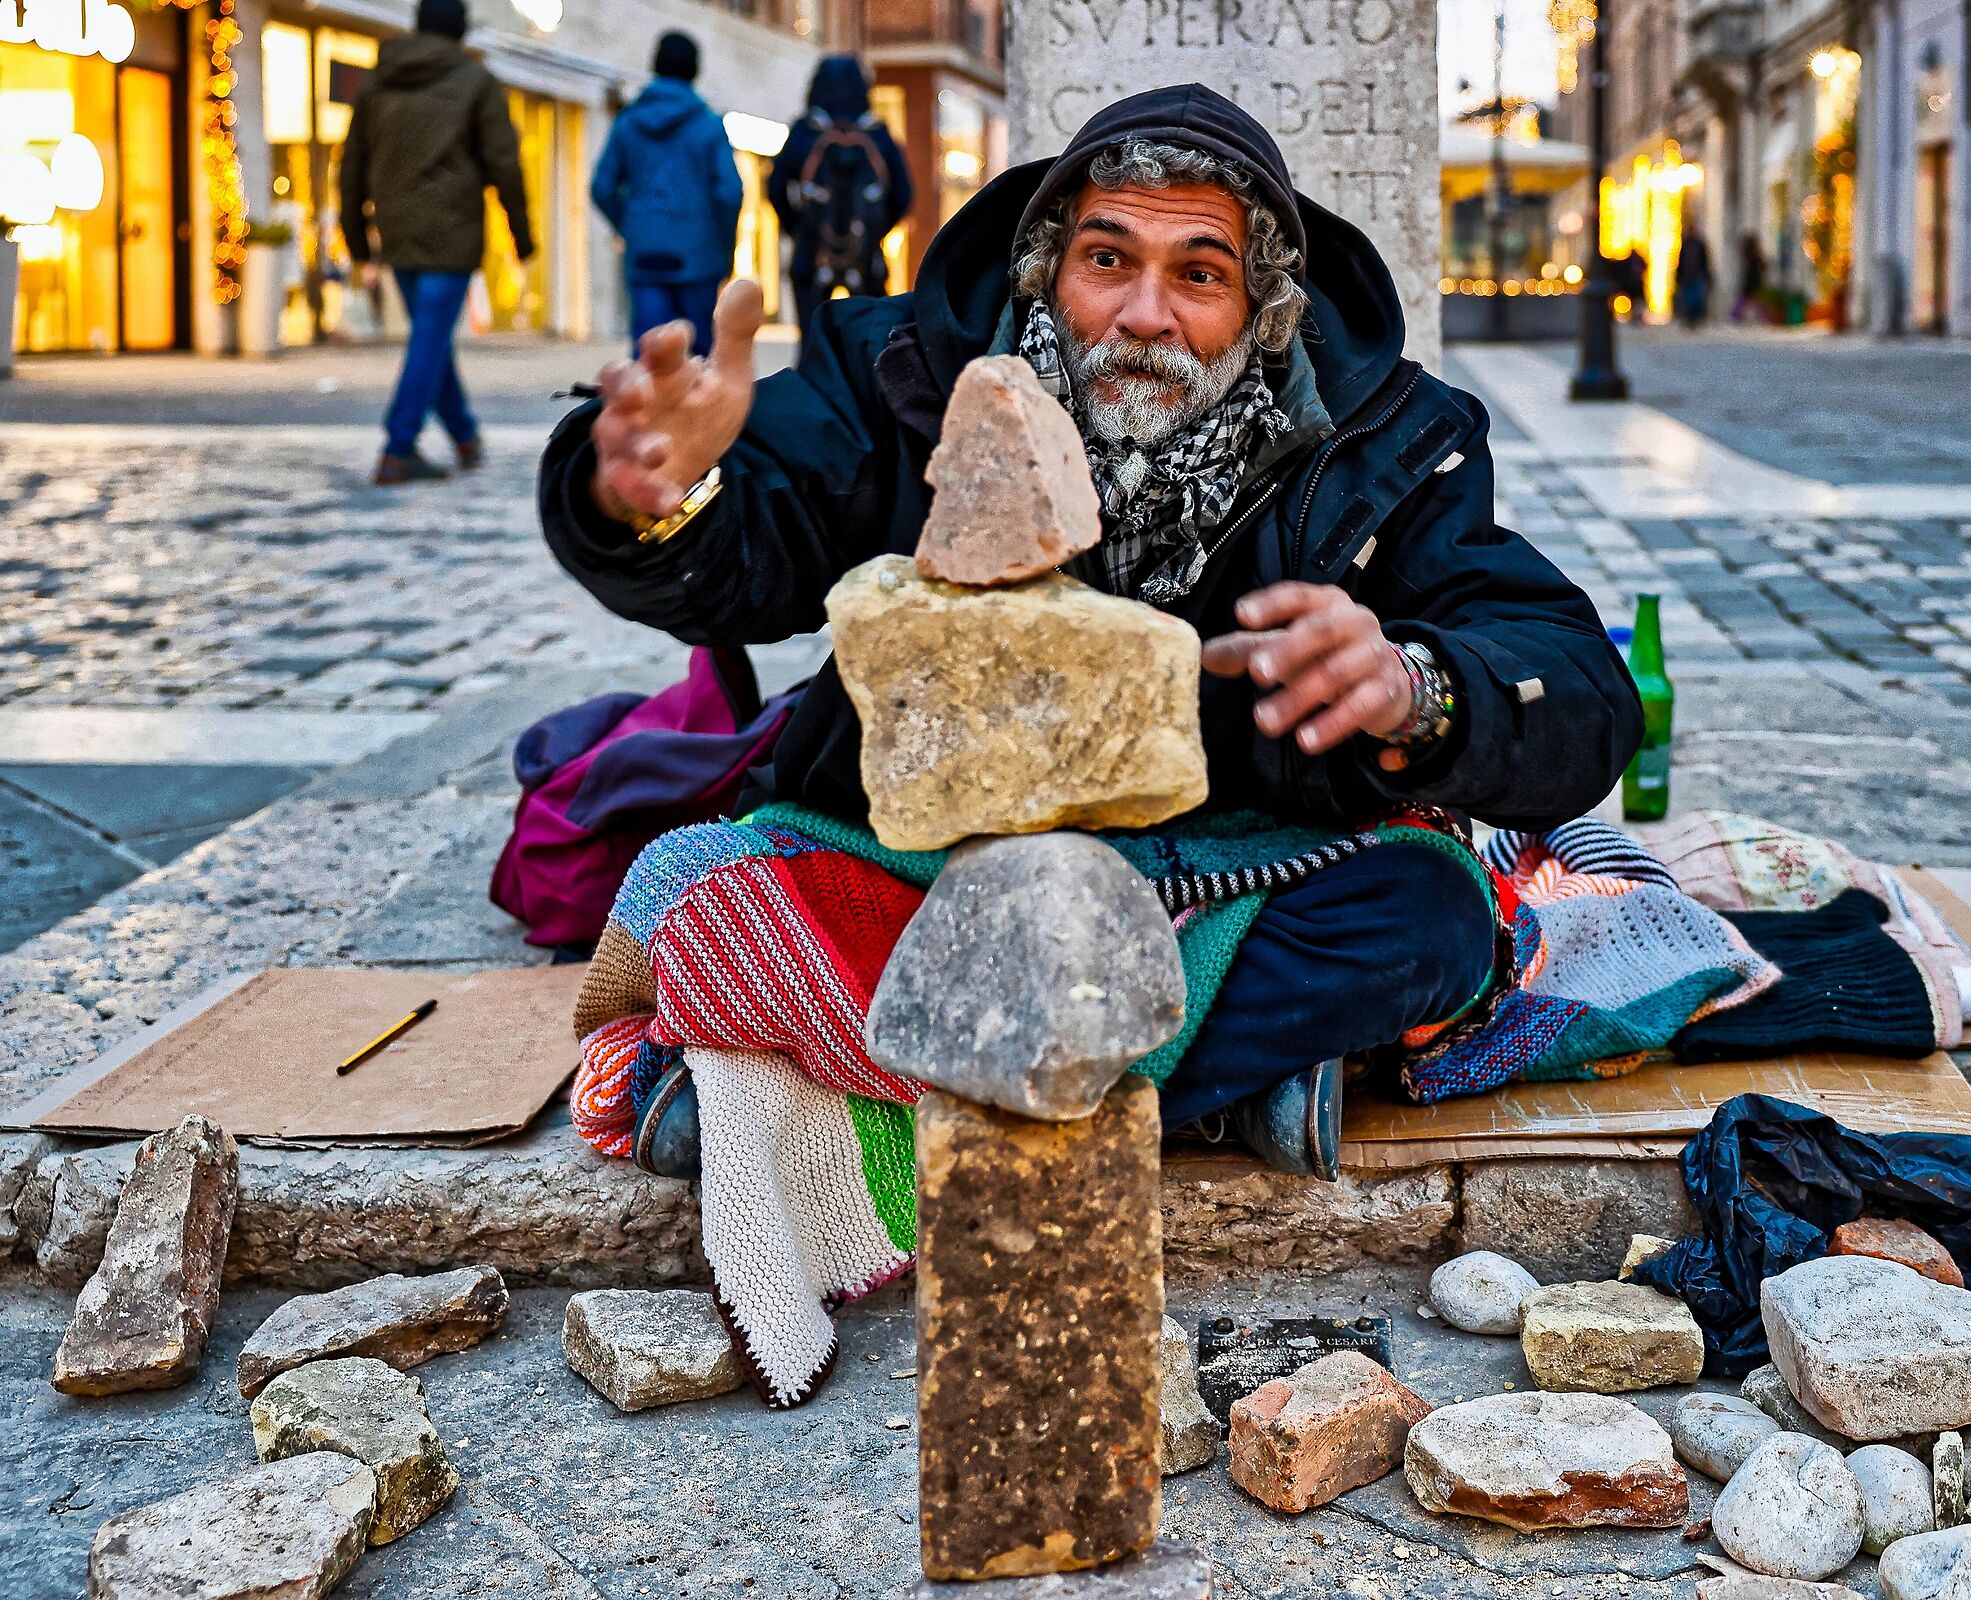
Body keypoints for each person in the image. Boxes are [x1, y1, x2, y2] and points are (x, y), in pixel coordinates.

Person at [539, 85, 1640, 1182]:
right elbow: (756, 528)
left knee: (1433, 918)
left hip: (1222, 871)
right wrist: (655, 496)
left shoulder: (1380, 438)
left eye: (1199, 276)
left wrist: (1416, 687)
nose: (1144, 313)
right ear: (1046, 271)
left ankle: (855, 1113)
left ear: (1265, 310)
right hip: (930, 866)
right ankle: (1210, 1083)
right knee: (700, 888)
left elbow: (1571, 680)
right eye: (1108, 260)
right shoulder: (911, 374)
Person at [340, 0, 533, 485]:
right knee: (429, 338)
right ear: (462, 31)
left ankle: (465, 437)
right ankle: (398, 447)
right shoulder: (475, 82)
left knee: (432, 338)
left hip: (399, 232)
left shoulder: (377, 83)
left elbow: (351, 169)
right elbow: (504, 164)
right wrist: (522, 234)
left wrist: (360, 244)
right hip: (453, 232)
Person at [589, 31, 744, 358]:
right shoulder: (708, 125)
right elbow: (730, 192)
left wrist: (630, 225)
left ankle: (650, 409)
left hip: (645, 250)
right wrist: (724, 243)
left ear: (655, 65)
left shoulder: (628, 122)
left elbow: (602, 187)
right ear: (695, 70)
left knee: (650, 356)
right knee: (700, 355)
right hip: (699, 254)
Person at [768, 55, 912, 341]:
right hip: (867, 255)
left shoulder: (806, 130)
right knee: (872, 342)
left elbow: (775, 187)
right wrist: (876, 231)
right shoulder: (876, 133)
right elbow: (904, 193)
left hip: (811, 252)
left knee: (811, 344)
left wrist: (797, 227)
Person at [1673, 231, 1713, 330]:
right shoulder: (1686, 245)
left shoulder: (1699, 245)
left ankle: (1695, 319)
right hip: (1687, 278)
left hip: (1696, 277)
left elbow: (1705, 261)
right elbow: (1681, 262)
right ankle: (1690, 319)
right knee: (1689, 300)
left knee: (1696, 300)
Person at [1732, 232, 1768, 323]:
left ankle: (1735, 316)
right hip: (1755, 283)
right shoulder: (1755, 256)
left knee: (1745, 301)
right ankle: (1765, 317)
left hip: (1751, 283)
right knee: (1757, 302)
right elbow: (1763, 268)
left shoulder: (1750, 257)